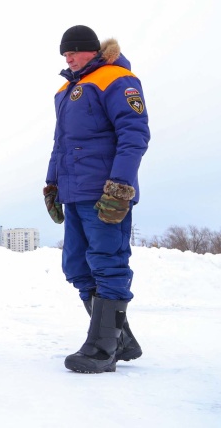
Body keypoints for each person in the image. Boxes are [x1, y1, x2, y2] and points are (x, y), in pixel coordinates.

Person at [44, 25, 149, 374]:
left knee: (108, 263)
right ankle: (123, 340)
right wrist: (52, 184)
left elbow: (134, 134)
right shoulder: (66, 90)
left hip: (105, 192)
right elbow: (60, 143)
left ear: (92, 50)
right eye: (65, 54)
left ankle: (103, 348)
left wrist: (119, 187)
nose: (68, 58)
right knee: (76, 266)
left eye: (73, 51)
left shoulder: (117, 79)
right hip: (74, 191)